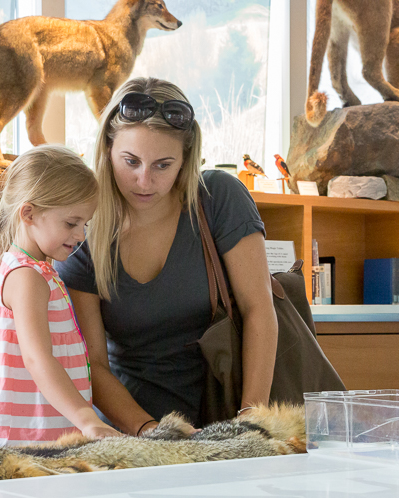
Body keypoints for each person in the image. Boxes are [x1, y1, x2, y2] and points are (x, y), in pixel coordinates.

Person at [57, 77, 278, 436]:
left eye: (163, 165)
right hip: (130, 427)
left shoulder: (218, 198)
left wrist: (250, 423)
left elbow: (259, 311)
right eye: (131, 161)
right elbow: (92, 363)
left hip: (228, 411)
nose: (144, 180)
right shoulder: (81, 227)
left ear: (185, 160)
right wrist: (151, 431)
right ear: (108, 148)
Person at [0, 144, 122, 445]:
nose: (80, 236)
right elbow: (38, 358)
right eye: (71, 223)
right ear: (29, 213)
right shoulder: (27, 277)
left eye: (84, 224)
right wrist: (87, 418)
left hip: (38, 430)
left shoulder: (39, 271)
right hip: (16, 438)